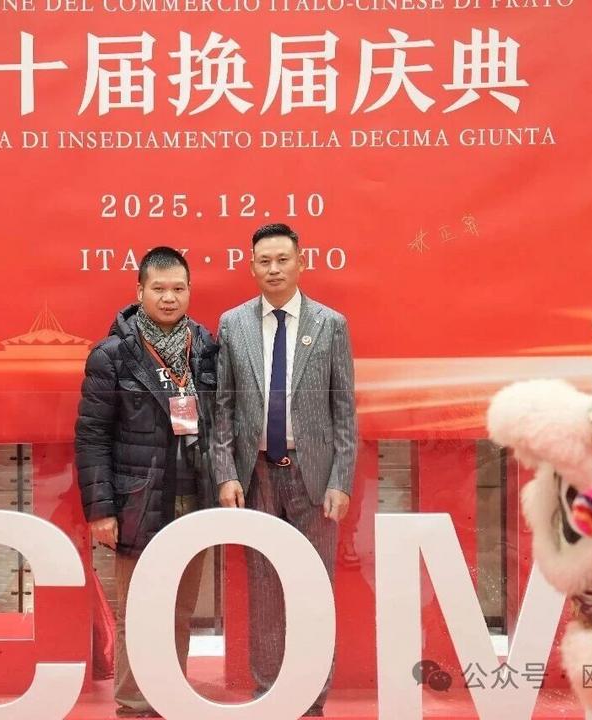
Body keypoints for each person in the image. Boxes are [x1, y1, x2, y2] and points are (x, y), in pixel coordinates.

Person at [212, 222, 357, 717]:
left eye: (282, 259)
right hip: (255, 474)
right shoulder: (233, 324)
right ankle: (268, 692)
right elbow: (223, 407)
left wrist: (341, 479)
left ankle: (313, 697)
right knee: (264, 586)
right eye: (264, 261)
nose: (274, 269)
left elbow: (344, 410)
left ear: (300, 262)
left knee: (315, 585)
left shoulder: (330, 324)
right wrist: (226, 472)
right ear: (252, 267)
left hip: (313, 476)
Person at [75, 246, 218, 718]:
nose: (169, 297)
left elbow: (222, 423)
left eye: (178, 288)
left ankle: (172, 696)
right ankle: (135, 703)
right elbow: (92, 436)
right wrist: (101, 509)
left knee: (181, 606)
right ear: (140, 292)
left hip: (194, 497)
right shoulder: (112, 355)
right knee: (137, 607)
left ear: (189, 291)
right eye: (159, 288)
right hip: (137, 500)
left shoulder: (205, 349)